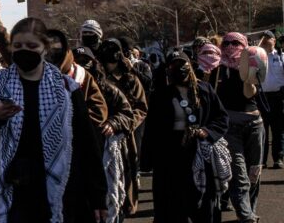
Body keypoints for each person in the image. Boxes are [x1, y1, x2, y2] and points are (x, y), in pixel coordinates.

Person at [0, 18, 106, 223]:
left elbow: (87, 144)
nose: (24, 51)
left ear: (45, 48)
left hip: (60, 195)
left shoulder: (66, 90)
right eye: (18, 46)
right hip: (12, 197)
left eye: (32, 46)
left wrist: (97, 197)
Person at [144, 50, 229, 223]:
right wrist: (147, 160)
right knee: (173, 204)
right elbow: (152, 129)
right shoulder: (161, 95)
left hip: (199, 150)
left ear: (190, 66)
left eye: (182, 64)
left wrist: (207, 132)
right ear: (168, 69)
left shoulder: (204, 90)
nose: (179, 68)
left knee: (203, 203)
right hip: (171, 154)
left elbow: (221, 117)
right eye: (174, 65)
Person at [75, 46, 134, 222]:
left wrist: (113, 123)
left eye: (87, 61)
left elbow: (128, 114)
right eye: (78, 62)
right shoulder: (61, 90)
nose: (83, 66)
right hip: (76, 156)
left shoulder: (108, 89)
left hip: (104, 152)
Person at [212, 32, 264, 223]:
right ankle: (245, 215)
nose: (230, 46)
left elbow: (250, 94)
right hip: (230, 126)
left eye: (235, 42)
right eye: (226, 43)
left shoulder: (252, 64)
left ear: (244, 45)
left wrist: (249, 74)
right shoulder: (217, 68)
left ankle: (250, 209)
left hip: (254, 123)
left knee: (254, 171)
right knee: (239, 173)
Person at [97, 38, 147, 217]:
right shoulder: (96, 75)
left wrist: (123, 123)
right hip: (100, 133)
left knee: (125, 173)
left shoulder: (130, 78)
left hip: (125, 135)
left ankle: (124, 208)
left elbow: (140, 108)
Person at [46, 29, 107, 128]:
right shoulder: (34, 75)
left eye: (56, 47)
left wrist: (72, 119)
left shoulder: (81, 75)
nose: (51, 52)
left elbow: (99, 111)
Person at [258, 30, 284, 169]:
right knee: (262, 130)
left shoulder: (281, 56)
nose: (266, 41)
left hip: (278, 97)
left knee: (278, 129)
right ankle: (262, 160)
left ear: (274, 41)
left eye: (269, 38)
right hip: (262, 97)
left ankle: (278, 158)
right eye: (264, 38)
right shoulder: (256, 57)